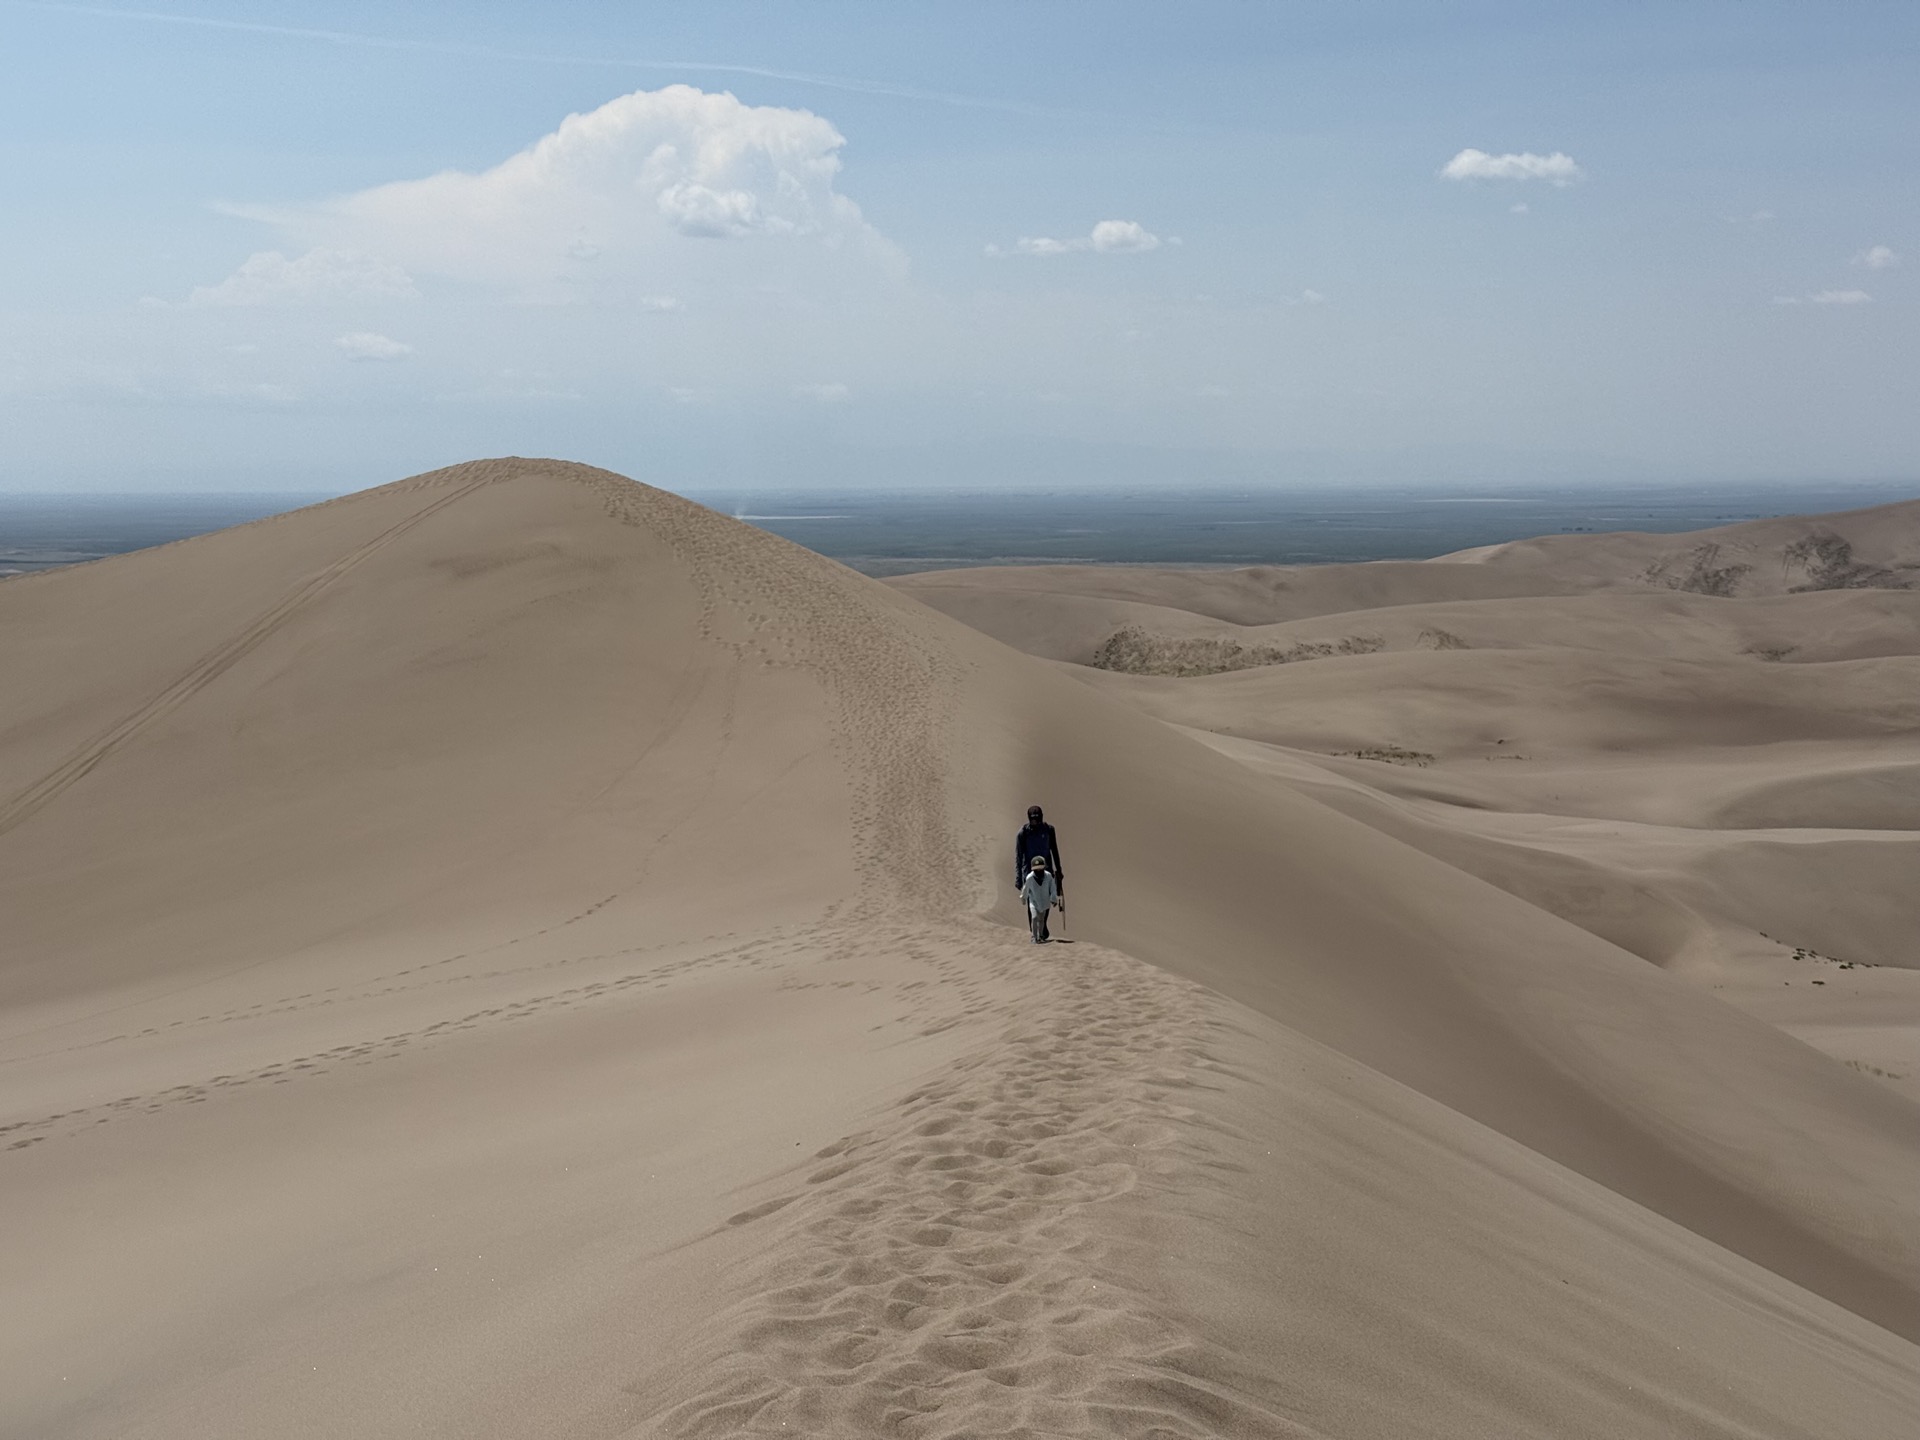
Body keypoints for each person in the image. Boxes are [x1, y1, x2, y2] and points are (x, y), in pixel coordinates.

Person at [1014, 805, 1064, 897]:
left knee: (1046, 903)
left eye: (1038, 819)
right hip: (1029, 873)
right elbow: (1019, 857)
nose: (1036, 822)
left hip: (1046, 872)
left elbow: (1055, 851)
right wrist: (1018, 878)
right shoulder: (1023, 833)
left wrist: (1059, 871)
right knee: (1031, 904)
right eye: (1033, 820)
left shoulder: (1049, 830)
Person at [1020, 855, 1060, 943]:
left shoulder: (1048, 876)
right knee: (1034, 918)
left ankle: (1041, 935)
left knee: (1041, 920)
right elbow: (1025, 889)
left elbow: (1052, 888)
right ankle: (1034, 936)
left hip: (1044, 902)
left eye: (1040, 869)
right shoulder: (1030, 878)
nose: (1038, 871)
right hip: (1033, 902)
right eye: (1036, 869)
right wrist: (1023, 898)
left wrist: (1053, 899)